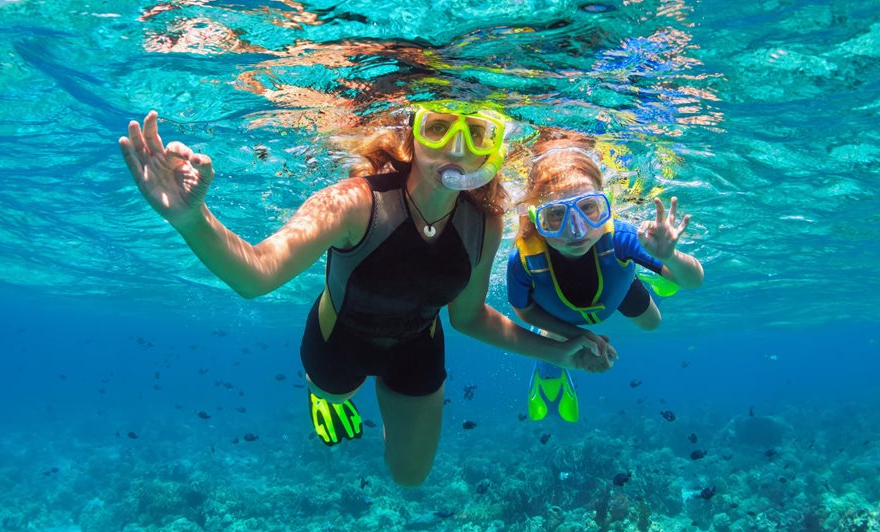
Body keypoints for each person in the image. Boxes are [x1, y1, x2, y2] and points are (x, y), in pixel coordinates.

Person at [118, 102, 614, 487]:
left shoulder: (485, 222)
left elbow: (468, 318)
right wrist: (190, 218)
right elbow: (257, 275)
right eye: (438, 128)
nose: (457, 150)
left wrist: (560, 351)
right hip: (339, 342)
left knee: (410, 478)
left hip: (418, 347)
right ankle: (325, 395)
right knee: (334, 394)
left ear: (491, 148)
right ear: (411, 135)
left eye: (477, 133)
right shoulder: (355, 201)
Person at [506, 136, 704, 423]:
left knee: (653, 323)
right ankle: (549, 363)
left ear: (606, 205)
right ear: (537, 218)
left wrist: (671, 257)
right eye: (556, 215)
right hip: (557, 313)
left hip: (616, 288)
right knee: (555, 339)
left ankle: (654, 270)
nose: (576, 231)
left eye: (588, 208)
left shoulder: (621, 236)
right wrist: (577, 336)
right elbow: (523, 311)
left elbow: (694, 281)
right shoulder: (524, 260)